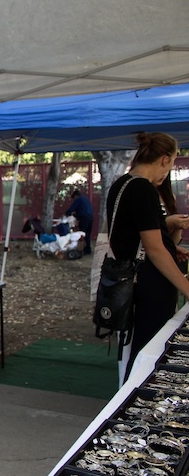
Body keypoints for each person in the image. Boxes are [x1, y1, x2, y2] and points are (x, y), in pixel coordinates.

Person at [107, 132, 189, 381]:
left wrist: (171, 241)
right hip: (149, 286)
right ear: (164, 159)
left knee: (142, 352)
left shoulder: (122, 184)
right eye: (172, 162)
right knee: (149, 353)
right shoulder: (142, 188)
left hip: (134, 280)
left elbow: (132, 236)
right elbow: (154, 250)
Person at [64, 189, 94, 254]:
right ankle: (88, 249)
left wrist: (66, 213)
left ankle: (80, 248)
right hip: (91, 217)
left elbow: (72, 208)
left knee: (81, 233)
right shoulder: (85, 199)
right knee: (87, 234)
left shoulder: (78, 199)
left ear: (75, 196)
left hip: (84, 218)